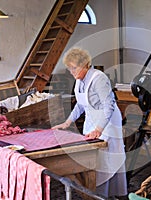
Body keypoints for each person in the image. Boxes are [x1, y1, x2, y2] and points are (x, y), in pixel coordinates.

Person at [52, 47, 128, 199]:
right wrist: (67, 122)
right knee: (92, 160)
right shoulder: (79, 81)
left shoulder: (98, 78)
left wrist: (99, 129)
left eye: (74, 68)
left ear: (86, 64)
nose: (72, 72)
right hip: (91, 122)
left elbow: (109, 105)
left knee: (106, 161)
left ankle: (104, 195)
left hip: (107, 124)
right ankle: (94, 193)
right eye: (70, 69)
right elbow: (80, 105)